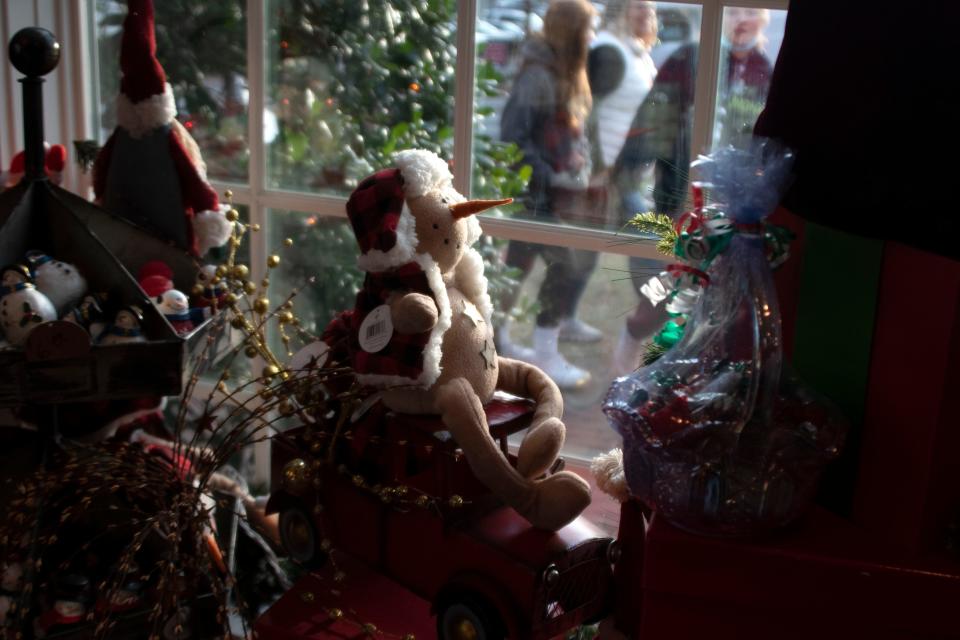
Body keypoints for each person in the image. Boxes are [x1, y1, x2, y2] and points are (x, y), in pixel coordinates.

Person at [610, 8, 774, 372]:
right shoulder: (690, 58)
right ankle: (634, 335)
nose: (740, 19)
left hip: (734, 214)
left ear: (764, 18)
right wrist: (625, 171)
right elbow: (653, 118)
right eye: (732, 11)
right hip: (679, 200)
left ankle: (680, 371)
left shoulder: (765, 70)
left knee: (712, 303)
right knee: (662, 290)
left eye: (750, 11)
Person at [497, 0, 604, 389]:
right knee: (564, 268)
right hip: (536, 196)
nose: (593, 37)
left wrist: (575, 166)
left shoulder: (560, 73)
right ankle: (545, 356)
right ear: (572, 32)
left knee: (517, 268)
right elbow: (512, 139)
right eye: (589, 29)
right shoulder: (538, 76)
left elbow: (561, 134)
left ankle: (498, 342)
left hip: (548, 192)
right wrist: (553, 175)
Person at [587, 0, 658, 220]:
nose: (647, 12)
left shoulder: (634, 48)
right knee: (645, 238)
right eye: (639, 6)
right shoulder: (609, 51)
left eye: (651, 7)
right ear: (620, 9)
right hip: (611, 168)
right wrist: (599, 168)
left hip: (629, 166)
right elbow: (588, 112)